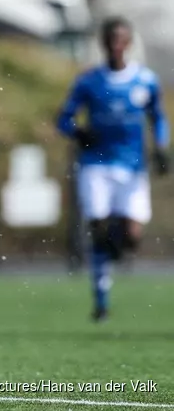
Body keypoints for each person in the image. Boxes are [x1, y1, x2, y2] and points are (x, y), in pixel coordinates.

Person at [56, 17, 169, 322]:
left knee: (131, 237)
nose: (116, 46)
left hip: (132, 167)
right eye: (111, 40)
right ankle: (101, 300)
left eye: (121, 40)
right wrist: (79, 133)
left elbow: (158, 117)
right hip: (96, 166)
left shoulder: (144, 80)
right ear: (104, 43)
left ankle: (116, 248)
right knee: (99, 229)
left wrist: (160, 147)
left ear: (129, 43)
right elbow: (63, 119)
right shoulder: (89, 82)